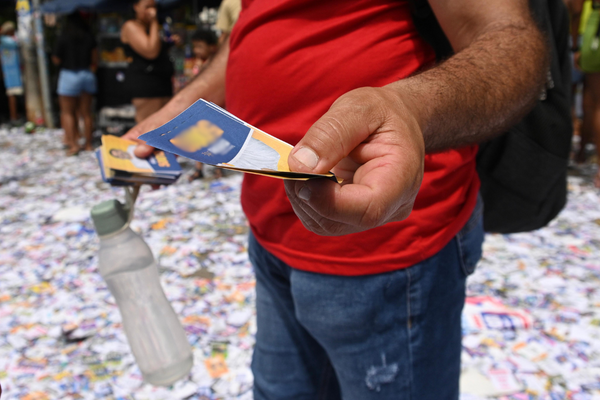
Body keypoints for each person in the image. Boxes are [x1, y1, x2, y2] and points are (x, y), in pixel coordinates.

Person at [125, 0, 547, 398]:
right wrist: (180, 108)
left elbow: (510, 41)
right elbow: (253, 26)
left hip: (390, 255)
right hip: (272, 238)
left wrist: (408, 108)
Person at [120, 0, 176, 124]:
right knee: (148, 127)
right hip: (145, 84)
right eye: (147, 7)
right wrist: (154, 21)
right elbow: (150, 51)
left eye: (154, 7)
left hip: (162, 82)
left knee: (164, 127)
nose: (152, 11)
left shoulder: (150, 28)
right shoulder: (131, 25)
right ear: (136, 7)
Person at [52, 12, 97, 155]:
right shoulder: (89, 36)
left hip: (69, 75)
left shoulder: (63, 37)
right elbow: (95, 59)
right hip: (87, 74)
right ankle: (89, 144)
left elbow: (56, 59)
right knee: (87, 113)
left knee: (67, 112)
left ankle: (73, 144)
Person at [188, 28, 218, 180]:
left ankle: (217, 168)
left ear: (212, 47)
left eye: (200, 46)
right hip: (200, 108)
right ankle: (198, 168)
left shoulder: (213, 64)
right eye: (195, 47)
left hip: (213, 107)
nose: (196, 50)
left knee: (215, 140)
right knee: (198, 139)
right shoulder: (198, 63)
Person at [0, 21, 23, 125]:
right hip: (13, 71)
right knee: (12, 95)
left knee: (12, 95)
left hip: (9, 71)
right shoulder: (9, 41)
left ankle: (15, 116)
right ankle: (14, 117)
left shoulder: (4, 41)